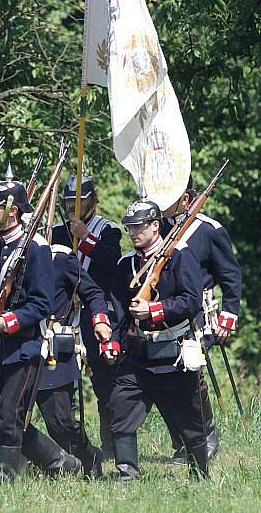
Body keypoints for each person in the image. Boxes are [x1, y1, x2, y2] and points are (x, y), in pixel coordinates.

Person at [0, 176, 80, 480]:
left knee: (8, 414)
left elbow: (43, 303)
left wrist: (9, 321)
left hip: (24, 346)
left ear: (12, 211)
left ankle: (2, 476)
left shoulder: (36, 249)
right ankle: (59, 462)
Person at [108, 197, 208, 480]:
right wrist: (112, 339)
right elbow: (117, 305)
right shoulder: (127, 263)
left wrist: (155, 309)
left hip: (173, 351)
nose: (132, 233)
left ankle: (200, 474)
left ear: (155, 225)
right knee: (120, 409)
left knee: (190, 420)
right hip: (138, 353)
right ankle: (126, 473)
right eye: (129, 228)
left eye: (138, 227)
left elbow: (191, 301)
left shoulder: (180, 254)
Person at [159, 184, 242, 463]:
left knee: (190, 378)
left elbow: (230, 275)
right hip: (164, 313)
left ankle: (205, 437)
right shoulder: (156, 227)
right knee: (162, 381)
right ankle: (182, 441)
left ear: (185, 199)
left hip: (196, 314)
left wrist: (228, 316)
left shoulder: (209, 229)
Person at [51, 175, 122, 457]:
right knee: (60, 382)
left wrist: (85, 238)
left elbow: (111, 265)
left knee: (104, 382)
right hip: (64, 316)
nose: (73, 205)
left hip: (95, 311)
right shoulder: (56, 232)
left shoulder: (108, 231)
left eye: (78, 200)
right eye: (69, 200)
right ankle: (69, 447)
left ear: (92, 200)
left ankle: (112, 445)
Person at [36, 243, 112, 478]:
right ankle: (50, 463)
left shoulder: (59, 257)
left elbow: (93, 293)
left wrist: (99, 320)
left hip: (53, 349)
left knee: (59, 422)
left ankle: (88, 457)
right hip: (18, 346)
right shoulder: (12, 256)